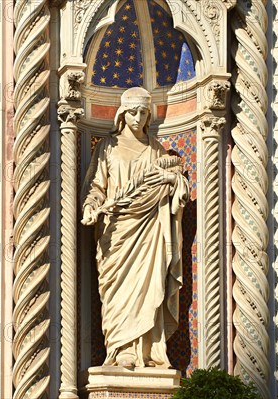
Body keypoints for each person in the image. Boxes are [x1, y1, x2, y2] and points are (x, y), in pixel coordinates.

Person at [81, 87, 189, 369]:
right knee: (118, 293)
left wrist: (174, 181)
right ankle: (119, 350)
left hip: (149, 230)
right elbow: (96, 186)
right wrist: (91, 206)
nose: (138, 117)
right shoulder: (108, 147)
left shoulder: (155, 150)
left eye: (143, 112)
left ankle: (148, 351)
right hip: (116, 231)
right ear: (121, 114)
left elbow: (172, 185)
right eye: (133, 111)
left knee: (148, 288)